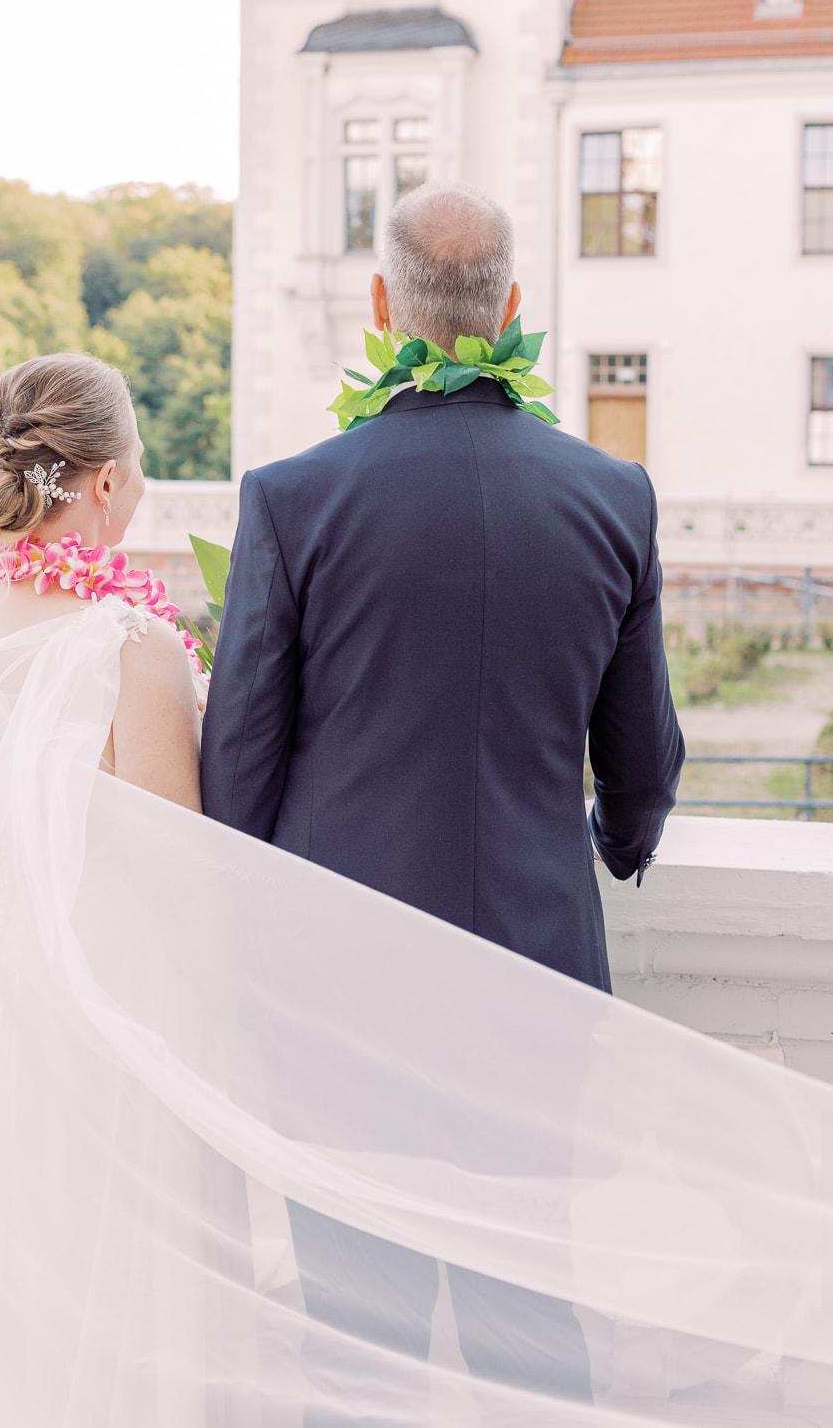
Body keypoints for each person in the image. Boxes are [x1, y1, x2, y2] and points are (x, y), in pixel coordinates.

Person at [0, 349, 833, 1428]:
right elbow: (186, 863)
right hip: (128, 1017)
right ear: (113, 481)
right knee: (157, 1294)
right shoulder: (126, 644)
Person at [201, 183, 687, 1414]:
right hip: (534, 968)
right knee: (532, 1305)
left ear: (382, 307)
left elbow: (240, 766)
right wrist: (608, 845)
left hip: (335, 979)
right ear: (517, 307)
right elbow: (645, 765)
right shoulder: (613, 497)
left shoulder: (291, 497)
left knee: (356, 1331)